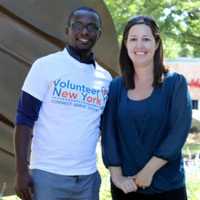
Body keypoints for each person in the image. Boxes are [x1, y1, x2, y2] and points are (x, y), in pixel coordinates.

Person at [14, 6, 112, 200]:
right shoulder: (45, 66)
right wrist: (21, 172)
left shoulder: (105, 78)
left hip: (87, 180)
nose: (84, 32)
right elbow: (24, 120)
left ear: (98, 34)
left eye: (91, 27)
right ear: (67, 30)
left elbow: (103, 128)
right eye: (78, 25)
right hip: (46, 176)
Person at [101, 16, 192, 200]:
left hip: (168, 188)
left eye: (146, 39)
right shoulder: (116, 87)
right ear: (125, 44)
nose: (139, 45)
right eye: (133, 39)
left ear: (157, 43)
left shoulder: (175, 83)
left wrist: (148, 171)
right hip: (125, 189)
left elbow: (179, 131)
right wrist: (117, 177)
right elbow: (108, 133)